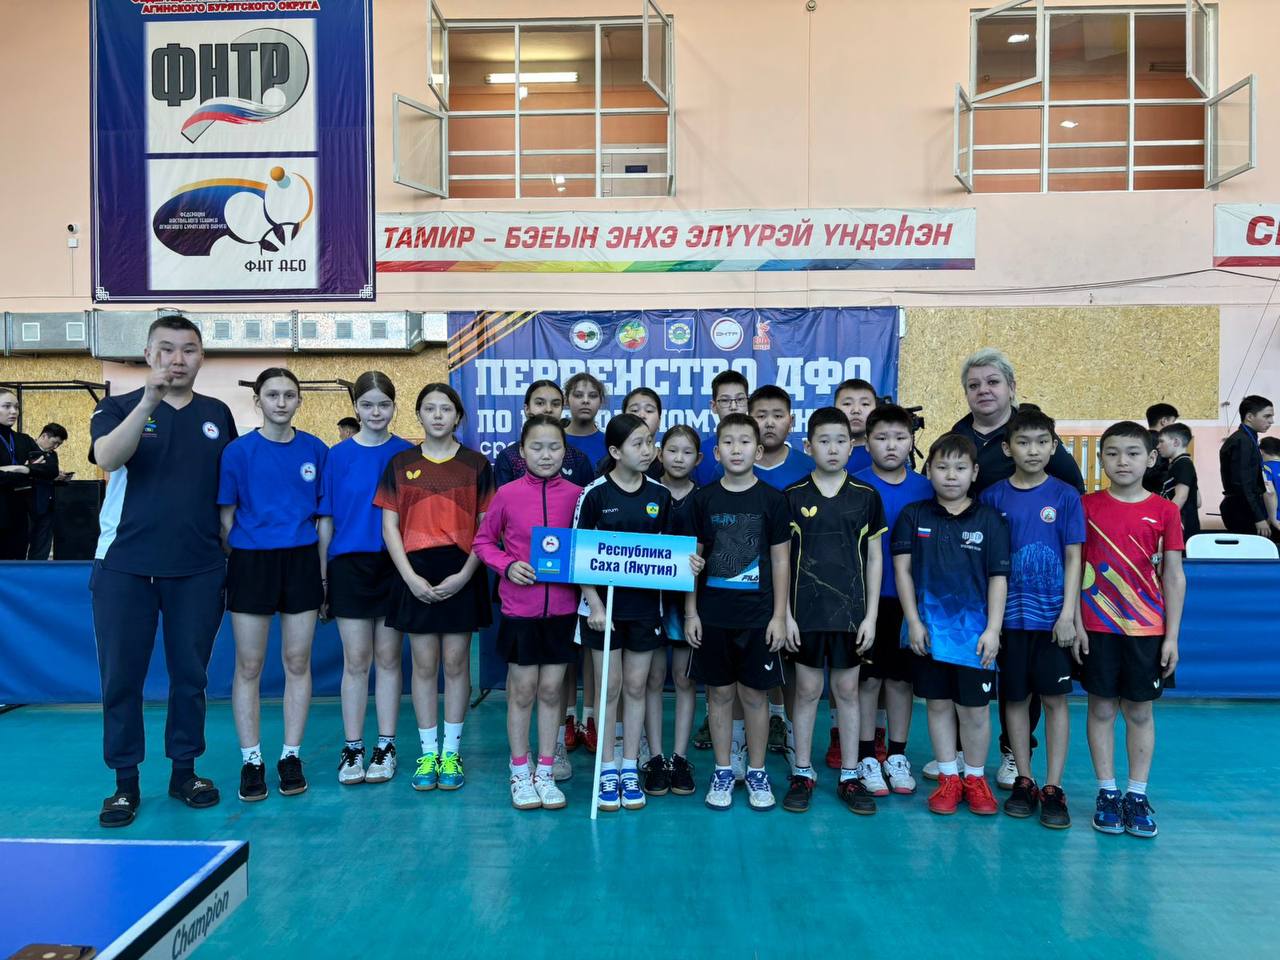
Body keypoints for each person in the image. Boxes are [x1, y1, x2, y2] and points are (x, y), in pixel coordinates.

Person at [88, 316, 237, 827]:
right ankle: (124, 782)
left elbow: (227, 492)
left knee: (190, 677)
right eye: (167, 349)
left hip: (198, 568)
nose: (178, 359)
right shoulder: (117, 407)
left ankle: (184, 771)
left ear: (201, 357)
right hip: (124, 567)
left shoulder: (217, 414)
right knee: (121, 678)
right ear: (149, 354)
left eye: (189, 349)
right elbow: (107, 457)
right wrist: (148, 402)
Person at [951, 347, 1083, 790]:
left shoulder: (1043, 445)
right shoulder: (958, 437)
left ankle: (1015, 753)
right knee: (975, 665)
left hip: (1039, 596)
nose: (984, 391)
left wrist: (1071, 610)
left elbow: (1072, 527)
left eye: (993, 382)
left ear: (1011, 387)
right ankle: (960, 751)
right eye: (974, 385)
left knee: (1033, 685)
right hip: (975, 577)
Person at [217, 368, 328, 802]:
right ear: (258, 401)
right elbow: (226, 521)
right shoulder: (237, 452)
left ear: (299, 400)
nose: (281, 402)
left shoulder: (315, 450)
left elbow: (323, 518)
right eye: (272, 395)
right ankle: (251, 760)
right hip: (251, 563)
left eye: (289, 395)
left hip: (301, 562)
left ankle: (290, 756)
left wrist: (321, 574)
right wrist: (252, 548)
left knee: (297, 661)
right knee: (249, 664)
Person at [378, 383, 493, 793]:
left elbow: (486, 527)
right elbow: (390, 526)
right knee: (424, 665)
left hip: (462, 570)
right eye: (430, 408)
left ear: (458, 416)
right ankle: (428, 753)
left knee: (457, 663)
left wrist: (464, 575)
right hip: (415, 571)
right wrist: (410, 577)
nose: (438, 415)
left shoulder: (477, 465)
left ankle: (451, 753)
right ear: (419, 415)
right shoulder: (400, 463)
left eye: (446, 408)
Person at [1075, 421, 1185, 839]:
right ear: (1100, 459)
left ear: (1151, 459)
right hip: (1096, 628)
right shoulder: (1085, 507)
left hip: (1147, 630)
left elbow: (1173, 575)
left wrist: (1171, 636)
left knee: (1139, 711)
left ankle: (1137, 795)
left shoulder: (1166, 511)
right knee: (1101, 709)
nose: (1123, 461)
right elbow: (1074, 568)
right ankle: (1107, 792)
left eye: (1133, 453)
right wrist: (1075, 621)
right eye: (1113, 453)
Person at [892, 433, 1010, 817]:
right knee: (938, 705)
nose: (951, 475)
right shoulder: (914, 515)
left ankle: (974, 778)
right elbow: (903, 571)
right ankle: (948, 778)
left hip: (975, 636)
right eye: (942, 467)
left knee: (975, 710)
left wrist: (993, 630)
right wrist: (913, 622)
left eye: (960, 467)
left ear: (974, 472)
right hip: (928, 631)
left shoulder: (990, 520)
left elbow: (998, 578)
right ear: (928, 471)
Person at [978, 408, 1084, 828]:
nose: (1033, 450)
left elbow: (1074, 558)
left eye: (1042, 442)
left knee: (1055, 701)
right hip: (1009, 621)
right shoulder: (992, 497)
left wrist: (1068, 614)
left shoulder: (1065, 496)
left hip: (1053, 622)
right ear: (1008, 449)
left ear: (1054, 447)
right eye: (1023, 443)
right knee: (1015, 699)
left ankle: (1053, 786)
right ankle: (1024, 779)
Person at [473, 414, 582, 811]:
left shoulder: (579, 495)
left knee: (552, 690)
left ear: (565, 451)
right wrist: (507, 565)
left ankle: (546, 771)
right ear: (521, 451)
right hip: (520, 610)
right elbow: (483, 542)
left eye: (554, 447)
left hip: (563, 611)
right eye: (536, 447)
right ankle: (520, 769)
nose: (545, 454)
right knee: (521, 691)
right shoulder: (506, 494)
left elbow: (591, 547)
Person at [685, 414, 792, 812]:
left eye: (745, 442)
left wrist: (779, 616)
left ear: (758, 451)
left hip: (758, 617)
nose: (736, 449)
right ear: (716, 452)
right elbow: (692, 561)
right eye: (728, 442)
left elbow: (781, 561)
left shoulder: (773, 500)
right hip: (713, 616)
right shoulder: (703, 500)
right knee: (719, 694)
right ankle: (723, 769)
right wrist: (691, 612)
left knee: (754, 695)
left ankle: (758, 771)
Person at [780, 407, 884, 816]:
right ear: (808, 447)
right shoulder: (792, 496)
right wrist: (785, 615)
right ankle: (802, 772)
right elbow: (782, 561)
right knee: (807, 692)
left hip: (851, 616)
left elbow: (875, 558)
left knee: (847, 693)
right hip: (805, 615)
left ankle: (850, 775)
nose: (833, 448)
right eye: (824, 441)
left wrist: (871, 616)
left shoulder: (866, 496)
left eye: (841, 440)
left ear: (852, 446)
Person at [319, 371, 414, 786]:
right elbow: (326, 520)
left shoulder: (407, 455)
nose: (376, 412)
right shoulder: (336, 456)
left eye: (384, 404)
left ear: (394, 407)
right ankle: (353, 746)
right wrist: (323, 579)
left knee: (389, 659)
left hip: (394, 567)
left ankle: (386, 746)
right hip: (349, 567)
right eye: (368, 405)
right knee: (356, 660)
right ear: (355, 408)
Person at [574, 413, 672, 812]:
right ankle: (607, 767)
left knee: (636, 687)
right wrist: (595, 604)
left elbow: (669, 554)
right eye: (638, 444)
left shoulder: (660, 495)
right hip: (604, 611)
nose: (647, 450)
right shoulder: (594, 494)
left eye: (650, 442)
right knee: (608, 689)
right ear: (615, 451)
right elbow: (578, 554)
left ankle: (630, 766)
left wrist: (688, 564)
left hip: (645, 609)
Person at [854, 404, 933, 795]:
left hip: (910, 603)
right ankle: (866, 755)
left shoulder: (927, 488)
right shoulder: (854, 485)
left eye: (900, 438)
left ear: (911, 441)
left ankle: (897, 755)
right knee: (867, 681)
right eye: (882, 438)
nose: (891, 445)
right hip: (864, 602)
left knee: (901, 682)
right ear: (867, 442)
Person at [643, 425, 703, 798]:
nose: (679, 458)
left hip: (687, 604)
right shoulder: (647, 492)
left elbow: (707, 552)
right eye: (672, 450)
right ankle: (655, 757)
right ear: (659, 453)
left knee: (683, 679)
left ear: (698, 459)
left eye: (687, 452)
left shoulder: (704, 498)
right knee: (651, 679)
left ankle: (679, 758)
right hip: (649, 602)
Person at [495, 380, 593, 487]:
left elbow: (588, 496)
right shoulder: (509, 457)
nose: (548, 409)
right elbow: (504, 496)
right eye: (540, 403)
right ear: (527, 409)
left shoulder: (578, 459)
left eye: (555, 404)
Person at [0, 392, 56, 560]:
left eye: (16, 407)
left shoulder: (23, 439)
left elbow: (51, 469)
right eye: (7, 406)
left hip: (20, 516)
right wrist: (29, 471)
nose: (14, 411)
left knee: (16, 564)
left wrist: (23, 469)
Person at [1219, 395, 1275, 536]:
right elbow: (1242, 483)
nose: (1271, 421)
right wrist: (1258, 517)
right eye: (1267, 416)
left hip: (1245, 506)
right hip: (1241, 508)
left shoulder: (1249, 439)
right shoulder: (1242, 441)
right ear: (1249, 417)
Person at [748, 385, 816, 491]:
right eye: (761, 416)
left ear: (791, 422)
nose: (769, 424)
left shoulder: (811, 468)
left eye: (778, 416)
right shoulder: (730, 468)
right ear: (748, 421)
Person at [691, 369, 750, 487]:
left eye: (740, 399)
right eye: (725, 400)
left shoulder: (759, 448)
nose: (733, 406)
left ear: (748, 402)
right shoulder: (700, 452)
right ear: (713, 406)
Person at [25, 422, 68, 560]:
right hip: (28, 503)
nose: (55, 447)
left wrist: (57, 476)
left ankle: (38, 569)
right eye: (54, 442)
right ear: (44, 436)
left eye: (59, 444)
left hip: (47, 504)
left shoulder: (52, 455)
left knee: (42, 545)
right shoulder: (27, 448)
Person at [1156, 423, 1200, 539]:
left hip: (1182, 527)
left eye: (1161, 441)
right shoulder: (1185, 463)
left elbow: (1181, 497)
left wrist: (1163, 521)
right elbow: (1198, 501)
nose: (1158, 446)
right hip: (1189, 525)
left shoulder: (1183, 464)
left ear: (1176, 442)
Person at [833, 378, 878, 475]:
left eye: (865, 404)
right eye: (847, 403)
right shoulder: (823, 453)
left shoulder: (885, 452)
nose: (856, 410)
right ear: (834, 409)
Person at [563, 371, 608, 466]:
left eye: (593, 396)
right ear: (566, 400)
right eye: (578, 395)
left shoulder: (609, 443)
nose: (585, 401)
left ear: (601, 401)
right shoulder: (555, 440)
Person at [1142, 403, 1179, 493]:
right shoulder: (1162, 442)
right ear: (1164, 421)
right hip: (1157, 493)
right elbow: (1156, 472)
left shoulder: (1140, 439)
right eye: (1173, 422)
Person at [1261, 436, 1280, 540]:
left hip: (1275, 521)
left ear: (1262, 451)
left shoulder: (1265, 468)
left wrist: (1273, 519)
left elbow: (1269, 492)